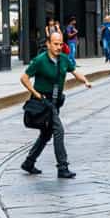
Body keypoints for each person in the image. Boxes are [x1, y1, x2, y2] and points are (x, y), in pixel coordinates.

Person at [20, 32, 92, 178]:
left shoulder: (64, 59)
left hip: (55, 102)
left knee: (46, 134)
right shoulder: (40, 60)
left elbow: (75, 72)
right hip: (44, 102)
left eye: (60, 44)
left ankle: (29, 162)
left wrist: (85, 81)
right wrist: (36, 93)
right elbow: (24, 78)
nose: (59, 47)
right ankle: (62, 167)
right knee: (59, 131)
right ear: (48, 44)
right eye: (55, 44)